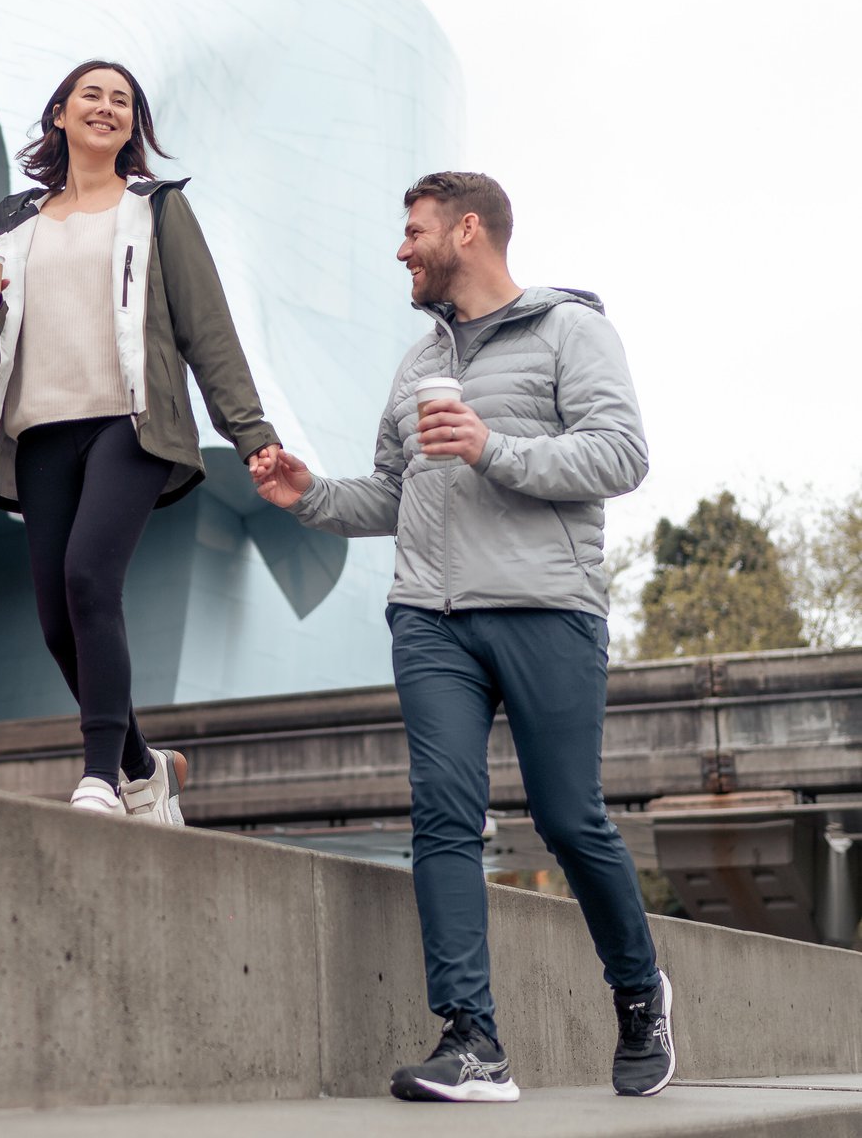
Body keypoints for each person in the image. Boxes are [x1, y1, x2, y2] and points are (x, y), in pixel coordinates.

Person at [249, 171, 675, 1102]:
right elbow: (397, 492)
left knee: (569, 818)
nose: (401, 248)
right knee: (443, 815)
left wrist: (494, 449)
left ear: (467, 230)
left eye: (414, 231)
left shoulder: (572, 330)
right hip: (430, 616)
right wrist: (309, 493)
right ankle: (472, 1040)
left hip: (546, 606)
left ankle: (641, 993)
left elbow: (623, 452)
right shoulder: (416, 363)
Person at [0, 59, 282, 822]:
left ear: (132, 124)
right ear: (61, 115)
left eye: (123, 100)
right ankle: (146, 764)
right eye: (91, 96)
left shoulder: (156, 209)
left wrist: (253, 432)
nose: (107, 107)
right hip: (40, 427)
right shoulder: (15, 222)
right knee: (54, 619)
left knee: (89, 580)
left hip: (132, 422)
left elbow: (209, 330)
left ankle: (101, 775)